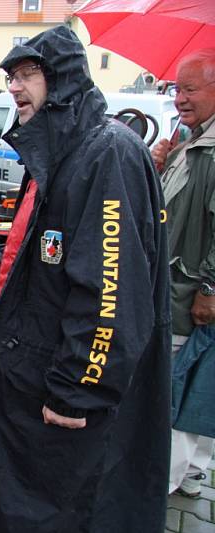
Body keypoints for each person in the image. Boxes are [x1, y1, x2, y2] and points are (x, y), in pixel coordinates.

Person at [0, 26, 170, 532]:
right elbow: (51, 248)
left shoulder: (106, 153)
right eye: (11, 77)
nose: (14, 87)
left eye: (27, 74)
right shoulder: (58, 148)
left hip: (59, 403)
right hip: (27, 386)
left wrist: (77, 389)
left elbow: (111, 290)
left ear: (63, 79)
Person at [151, 48, 215, 498]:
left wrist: (210, 287)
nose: (179, 99)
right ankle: (191, 472)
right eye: (176, 89)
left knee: (177, 383)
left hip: (189, 291)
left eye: (190, 89)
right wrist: (161, 163)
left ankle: (163, 481)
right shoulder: (193, 143)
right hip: (179, 286)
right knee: (195, 378)